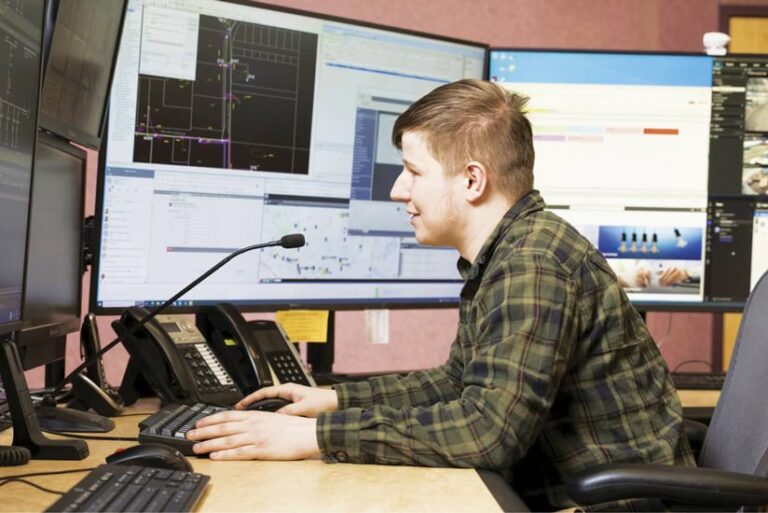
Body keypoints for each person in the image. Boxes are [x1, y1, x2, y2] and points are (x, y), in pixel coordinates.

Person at [186, 79, 694, 510]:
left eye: (413, 171)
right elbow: (459, 383)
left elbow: (487, 433)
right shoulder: (513, 249)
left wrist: (314, 437)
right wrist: (333, 400)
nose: (398, 190)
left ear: (472, 180)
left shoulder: (534, 262)